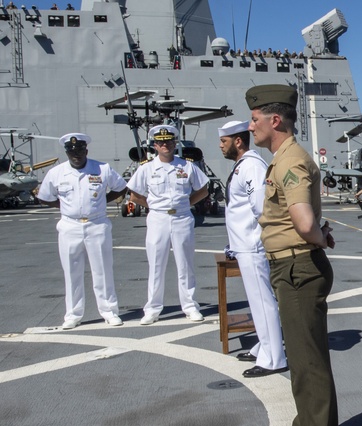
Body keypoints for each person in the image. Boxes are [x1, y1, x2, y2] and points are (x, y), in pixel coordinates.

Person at [246, 83, 340, 426]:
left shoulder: (289, 162)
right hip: (291, 266)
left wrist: (319, 237)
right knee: (300, 358)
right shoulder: (284, 158)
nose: (251, 127)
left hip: (298, 267)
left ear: (274, 119)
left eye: (254, 119)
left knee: (309, 360)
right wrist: (319, 235)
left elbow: (303, 222)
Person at [217, 119, 288, 378]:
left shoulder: (252, 167)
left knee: (263, 301)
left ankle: (274, 358)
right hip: (244, 244)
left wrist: (255, 241)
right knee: (256, 301)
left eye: (224, 142)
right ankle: (265, 346)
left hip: (253, 244)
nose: (220, 147)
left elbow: (260, 207)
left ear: (238, 141)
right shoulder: (242, 166)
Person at [36, 133, 127, 329]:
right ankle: (73, 314)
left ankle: (109, 311)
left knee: (102, 270)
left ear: (86, 150)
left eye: (79, 151)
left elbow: (121, 188)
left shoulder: (102, 169)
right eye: (71, 151)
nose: (75, 154)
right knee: (71, 271)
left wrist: (103, 201)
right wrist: (63, 207)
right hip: (70, 226)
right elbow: (44, 196)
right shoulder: (57, 173)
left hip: (97, 224)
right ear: (67, 152)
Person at [126, 124, 209, 324]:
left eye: (169, 142)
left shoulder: (187, 166)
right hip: (158, 219)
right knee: (156, 264)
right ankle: (153, 309)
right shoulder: (147, 168)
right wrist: (154, 207)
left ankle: (189, 305)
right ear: (155, 145)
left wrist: (186, 204)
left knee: (185, 263)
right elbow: (135, 196)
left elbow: (203, 190)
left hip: (182, 217)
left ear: (175, 143)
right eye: (161, 142)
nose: (166, 145)